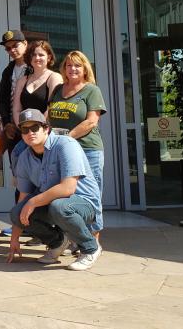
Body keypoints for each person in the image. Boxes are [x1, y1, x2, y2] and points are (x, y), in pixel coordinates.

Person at [6, 109, 103, 271]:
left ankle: (91, 248)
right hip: (54, 203)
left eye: (35, 128)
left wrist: (33, 201)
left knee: (59, 206)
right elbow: (23, 198)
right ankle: (57, 243)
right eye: (25, 129)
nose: (30, 133)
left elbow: (68, 188)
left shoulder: (66, 144)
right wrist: (14, 239)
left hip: (83, 203)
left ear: (46, 129)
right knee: (17, 212)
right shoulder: (24, 158)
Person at [48, 50, 107, 237]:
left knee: (91, 195)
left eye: (77, 65)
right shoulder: (58, 90)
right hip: (62, 151)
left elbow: (91, 121)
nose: (72, 69)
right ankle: (71, 237)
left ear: (84, 69)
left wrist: (67, 139)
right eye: (69, 65)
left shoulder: (91, 90)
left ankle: (93, 239)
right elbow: (49, 117)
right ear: (64, 69)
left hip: (88, 150)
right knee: (65, 195)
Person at [12, 40, 63, 126]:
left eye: (41, 55)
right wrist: (22, 128)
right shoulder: (22, 81)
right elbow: (16, 110)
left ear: (49, 57)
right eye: (34, 55)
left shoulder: (54, 77)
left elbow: (52, 108)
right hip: (24, 130)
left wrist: (40, 128)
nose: (37, 58)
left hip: (45, 131)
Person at [0, 30, 28, 148]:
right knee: (16, 164)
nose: (12, 50)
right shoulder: (8, 70)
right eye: (8, 48)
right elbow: (2, 99)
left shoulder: (35, 67)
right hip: (13, 128)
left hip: (33, 125)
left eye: (15, 46)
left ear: (25, 43)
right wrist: (6, 124)